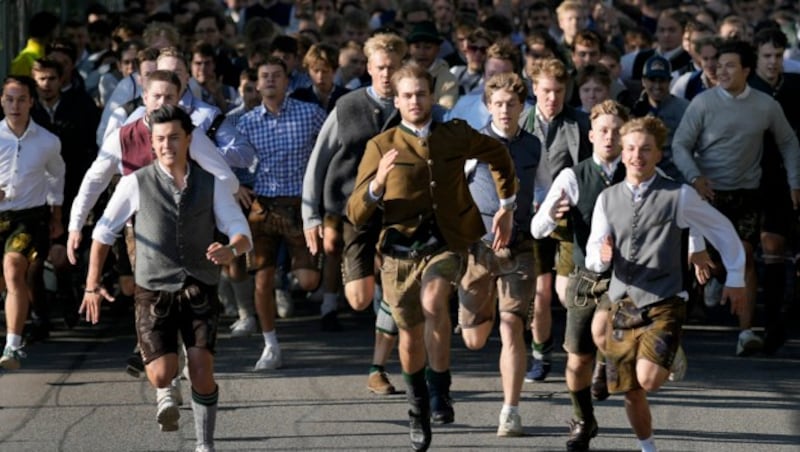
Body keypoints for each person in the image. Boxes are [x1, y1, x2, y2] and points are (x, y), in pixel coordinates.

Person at [347, 62, 517, 451]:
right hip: (398, 253)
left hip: (446, 244)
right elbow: (356, 212)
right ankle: (418, 407)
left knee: (434, 299)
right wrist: (376, 184)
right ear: (397, 99)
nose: (414, 101)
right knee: (408, 335)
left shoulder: (454, 134)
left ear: (431, 96)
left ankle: (441, 389)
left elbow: (498, 154)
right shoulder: (382, 145)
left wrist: (506, 203)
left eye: (421, 94)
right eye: (407, 95)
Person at [79, 105, 251, 449]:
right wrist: (91, 285)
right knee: (161, 373)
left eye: (174, 137)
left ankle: (205, 444)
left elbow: (241, 231)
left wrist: (230, 250)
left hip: (199, 285)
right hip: (153, 290)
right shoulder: (135, 182)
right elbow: (103, 233)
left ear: (189, 139)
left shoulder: (211, 184)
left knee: (202, 369)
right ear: (152, 143)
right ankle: (166, 380)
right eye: (160, 139)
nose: (167, 145)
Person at [585, 116, 746, 452]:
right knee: (630, 389)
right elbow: (592, 256)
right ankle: (648, 448)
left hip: (664, 300)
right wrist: (602, 256)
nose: (636, 156)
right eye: (630, 148)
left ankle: (670, 353)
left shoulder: (680, 195)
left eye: (645, 149)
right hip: (622, 300)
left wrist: (734, 276)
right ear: (621, 151)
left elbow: (722, 229)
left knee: (648, 380)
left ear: (658, 154)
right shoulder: (607, 198)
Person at [672, 40, 800, 356]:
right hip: (707, 193)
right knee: (707, 261)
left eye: (731, 65)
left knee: (741, 255)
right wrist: (695, 177)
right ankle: (697, 299)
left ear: (746, 70)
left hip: (746, 193)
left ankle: (745, 333)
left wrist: (795, 184)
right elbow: (680, 145)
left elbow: (789, 142)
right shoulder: (702, 104)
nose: (722, 70)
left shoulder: (766, 105)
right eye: (719, 65)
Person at [302, 32, 410, 395]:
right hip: (353, 209)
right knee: (359, 299)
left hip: (399, 211)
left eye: (393, 67)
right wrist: (310, 215)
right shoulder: (347, 106)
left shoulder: (413, 104)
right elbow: (318, 160)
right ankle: (377, 287)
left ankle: (378, 368)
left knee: (395, 291)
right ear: (368, 68)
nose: (386, 73)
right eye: (380, 67)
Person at [531, 100, 628, 451]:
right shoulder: (574, 175)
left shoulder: (638, 174)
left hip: (626, 277)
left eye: (616, 130)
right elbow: (537, 228)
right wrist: (552, 213)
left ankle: (607, 361)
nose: (609, 136)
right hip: (585, 274)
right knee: (576, 359)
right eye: (602, 130)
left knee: (605, 327)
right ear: (591, 135)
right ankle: (584, 420)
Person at [458, 72, 540, 437]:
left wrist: (546, 213)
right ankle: (483, 305)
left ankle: (510, 411)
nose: (505, 110)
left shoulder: (533, 145)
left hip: (519, 246)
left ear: (522, 107)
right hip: (478, 247)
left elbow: (547, 183)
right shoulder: (474, 145)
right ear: (488, 107)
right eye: (498, 104)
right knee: (474, 339)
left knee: (512, 329)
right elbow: (454, 188)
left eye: (511, 104)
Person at [236, 56, 326, 371]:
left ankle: (289, 277)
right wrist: (235, 187)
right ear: (257, 84)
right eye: (265, 76)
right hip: (261, 207)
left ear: (287, 82)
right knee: (261, 281)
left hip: (300, 206)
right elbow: (226, 160)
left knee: (310, 279)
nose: (271, 80)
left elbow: (330, 147)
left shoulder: (310, 113)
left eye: (277, 75)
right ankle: (270, 345)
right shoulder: (245, 123)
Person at [522, 57, 592, 382]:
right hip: (532, 215)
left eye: (559, 91)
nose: (552, 98)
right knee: (541, 290)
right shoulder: (521, 121)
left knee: (566, 292)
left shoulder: (579, 123)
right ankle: (540, 353)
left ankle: (580, 349)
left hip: (566, 218)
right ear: (535, 88)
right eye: (547, 90)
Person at [0, 75, 65, 369]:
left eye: (21, 99)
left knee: (15, 268)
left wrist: (56, 214)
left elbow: (56, 176)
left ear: (31, 102)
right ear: (2, 100)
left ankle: (13, 345)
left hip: (28, 218)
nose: (15, 105)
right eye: (10, 99)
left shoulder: (48, 142)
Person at [747, 27, 800, 354]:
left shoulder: (795, 87)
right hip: (758, 183)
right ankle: (772, 326)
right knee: (770, 252)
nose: (773, 63)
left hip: (792, 180)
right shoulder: (748, 89)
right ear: (756, 57)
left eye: (778, 56)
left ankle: (782, 319)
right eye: (767, 56)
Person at [630, 55, 689, 182]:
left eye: (662, 80)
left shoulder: (685, 109)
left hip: (677, 177)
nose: (657, 85)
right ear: (643, 81)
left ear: (670, 81)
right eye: (652, 79)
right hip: (644, 176)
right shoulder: (634, 109)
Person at [406, 21, 459, 109]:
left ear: (437, 50)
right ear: (409, 49)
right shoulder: (400, 74)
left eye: (428, 47)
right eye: (417, 47)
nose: (422, 53)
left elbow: (446, 109)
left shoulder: (447, 79)